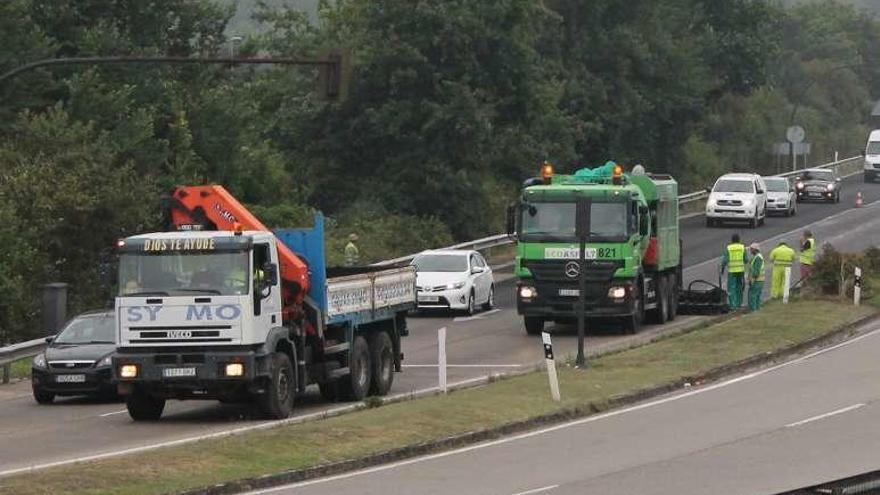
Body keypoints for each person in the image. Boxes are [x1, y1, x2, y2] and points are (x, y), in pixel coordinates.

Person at [721, 234, 748, 310]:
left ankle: (733, 305)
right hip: (741, 271)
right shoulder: (742, 247)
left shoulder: (729, 248)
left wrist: (722, 269)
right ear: (739, 240)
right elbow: (746, 260)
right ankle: (739, 303)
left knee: (731, 288)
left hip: (732, 271)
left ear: (731, 240)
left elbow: (725, 260)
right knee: (739, 287)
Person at [747, 243, 765, 311]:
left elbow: (756, 271)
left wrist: (751, 279)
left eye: (751, 249)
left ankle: (753, 310)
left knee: (753, 296)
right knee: (757, 296)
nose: (750, 251)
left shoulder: (758, 258)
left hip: (757, 280)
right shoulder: (757, 257)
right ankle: (757, 310)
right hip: (759, 280)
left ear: (755, 249)